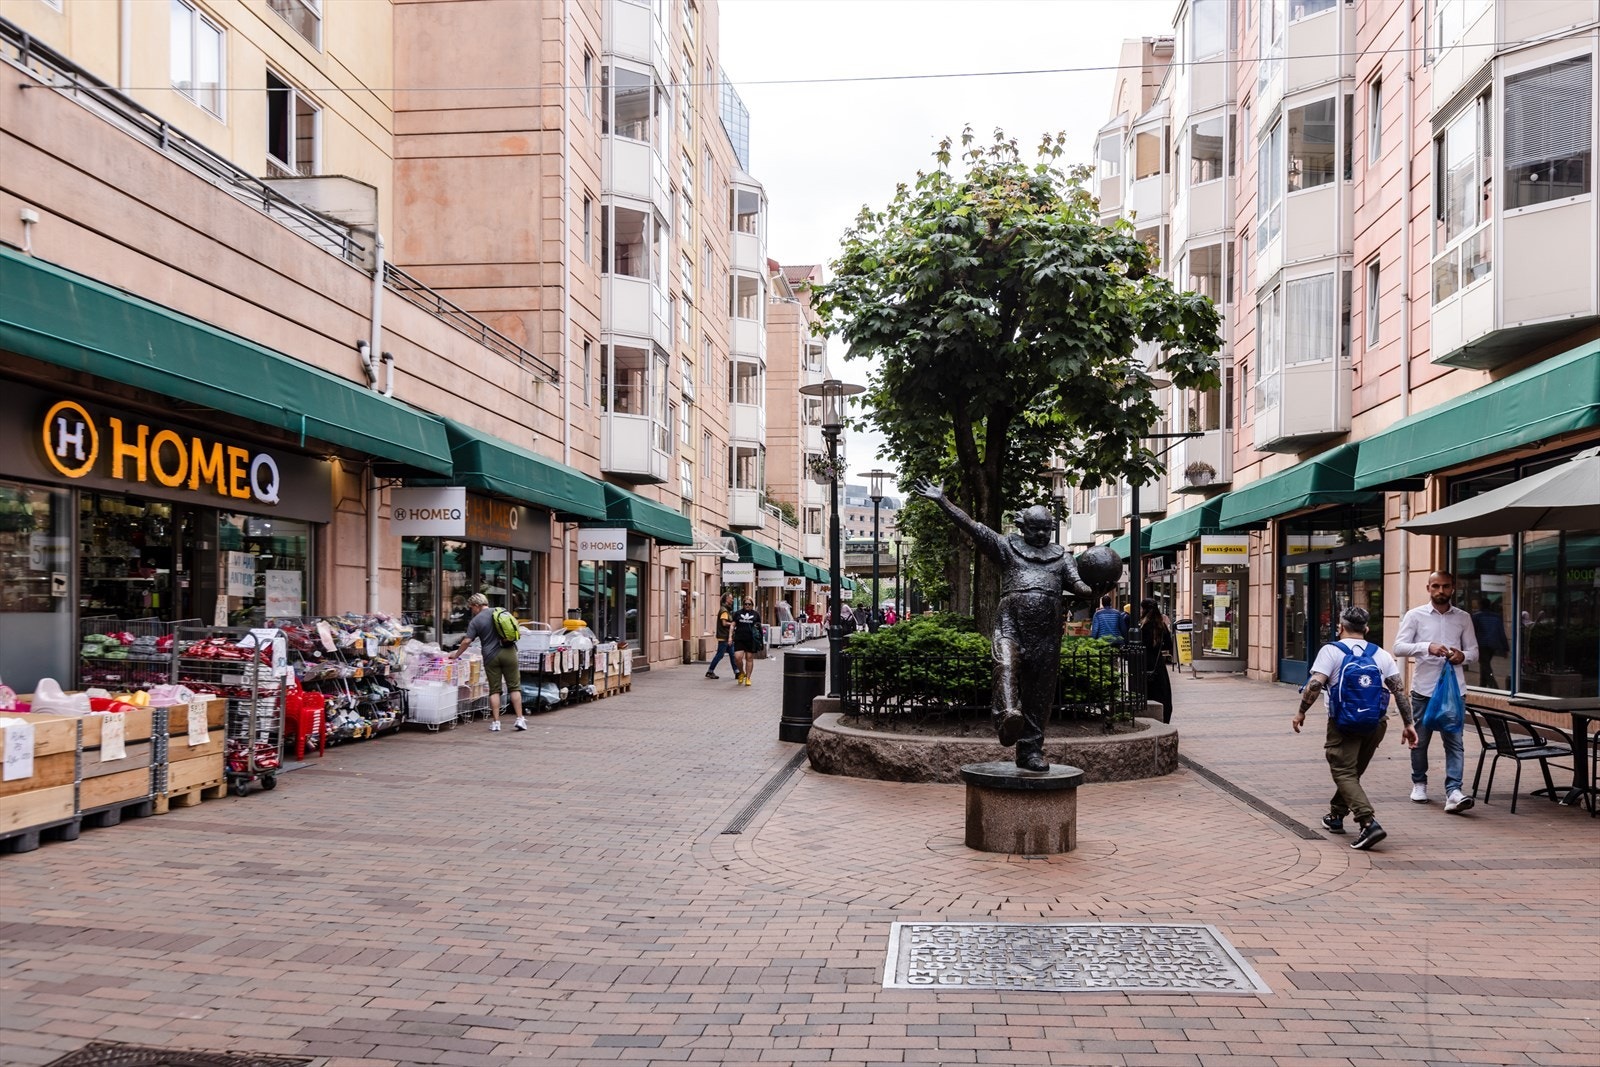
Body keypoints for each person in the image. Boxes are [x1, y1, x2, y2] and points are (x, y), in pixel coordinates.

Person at [916, 480, 1100, 772]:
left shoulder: (1062, 558)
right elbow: (975, 527)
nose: (1040, 534)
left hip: (1046, 634)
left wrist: (1096, 585)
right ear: (1022, 527)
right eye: (1034, 529)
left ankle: (1031, 751)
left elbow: (1079, 585)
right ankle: (1007, 715)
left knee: (1040, 694)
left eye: (1046, 529)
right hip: (1010, 623)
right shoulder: (1007, 548)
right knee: (1005, 666)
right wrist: (943, 501)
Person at [1293, 606, 1416, 850]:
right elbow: (1398, 691)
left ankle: (1368, 822)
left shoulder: (1331, 651)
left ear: (1340, 627)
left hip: (1343, 722)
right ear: (1366, 629)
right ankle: (1336, 815)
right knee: (1352, 772)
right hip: (1375, 723)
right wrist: (1408, 723)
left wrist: (1301, 711)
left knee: (1343, 771)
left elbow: (1315, 684)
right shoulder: (1380, 654)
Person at [1394, 571, 1479, 813]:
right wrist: (1426, 647)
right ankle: (1419, 782)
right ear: (1428, 588)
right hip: (1424, 690)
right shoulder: (1415, 616)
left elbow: (1474, 651)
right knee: (1419, 741)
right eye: (1436, 586)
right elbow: (1398, 647)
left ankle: (1454, 791)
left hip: (1454, 692)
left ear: (1454, 588)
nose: (1441, 591)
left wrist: (1461, 656)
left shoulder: (1463, 618)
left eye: (1446, 586)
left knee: (1455, 742)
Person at [448, 592, 525, 732]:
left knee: (494, 690)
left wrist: (456, 654)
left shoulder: (476, 621)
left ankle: (496, 723)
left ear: (477, 606)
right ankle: (520, 719)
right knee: (514, 687)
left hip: (491, 657)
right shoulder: (501, 612)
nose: (471, 610)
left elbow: (466, 641)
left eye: (472, 607)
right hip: (509, 652)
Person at [1139, 598, 1175, 724]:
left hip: (1144, 662)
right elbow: (1168, 644)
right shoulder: (1161, 625)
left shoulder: (1142, 626)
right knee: (1161, 691)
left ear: (1144, 609)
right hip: (1157, 663)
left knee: (1146, 689)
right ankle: (1163, 717)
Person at [1470, 598, 1509, 689]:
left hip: (1481, 645)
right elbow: (1501, 632)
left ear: (1480, 605)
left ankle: (1494, 686)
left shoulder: (1476, 617)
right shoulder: (1496, 617)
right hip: (1493, 644)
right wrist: (1505, 647)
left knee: (1485, 666)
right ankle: (1482, 686)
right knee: (1485, 664)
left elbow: (1472, 632)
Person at [731, 599, 762, 686]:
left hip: (751, 640)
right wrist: (730, 636)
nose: (747, 605)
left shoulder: (756, 614)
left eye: (749, 604)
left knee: (749, 658)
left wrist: (759, 638)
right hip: (739, 639)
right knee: (737, 657)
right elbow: (733, 625)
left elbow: (759, 627)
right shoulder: (738, 613)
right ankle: (741, 672)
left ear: (752, 605)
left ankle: (748, 678)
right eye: (745, 604)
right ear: (743, 604)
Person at [706, 593, 734, 679]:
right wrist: (733, 624)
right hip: (724, 636)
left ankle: (737, 672)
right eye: (731, 598)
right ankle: (710, 671)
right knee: (720, 655)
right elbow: (724, 623)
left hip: (727, 636)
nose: (732, 600)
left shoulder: (726, 610)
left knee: (733, 654)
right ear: (726, 599)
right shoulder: (724, 610)